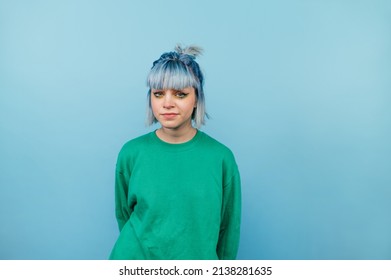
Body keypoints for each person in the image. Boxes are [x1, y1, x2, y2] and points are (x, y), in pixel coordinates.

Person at [109, 45, 241, 260]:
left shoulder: (221, 158)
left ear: (196, 98)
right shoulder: (131, 153)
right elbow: (124, 215)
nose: (167, 104)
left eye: (180, 94)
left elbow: (228, 228)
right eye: (158, 94)